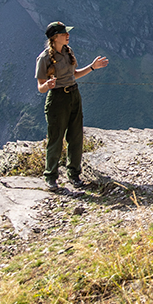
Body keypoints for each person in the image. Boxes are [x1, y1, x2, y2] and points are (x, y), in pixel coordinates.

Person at [35, 21, 109, 189]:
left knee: (76, 137)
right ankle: (50, 176)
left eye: (67, 33)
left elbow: (74, 74)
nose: (68, 35)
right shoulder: (44, 58)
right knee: (56, 138)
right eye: (63, 33)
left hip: (74, 95)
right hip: (57, 99)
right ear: (54, 37)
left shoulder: (69, 52)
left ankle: (74, 174)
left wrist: (92, 67)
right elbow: (40, 86)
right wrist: (47, 86)